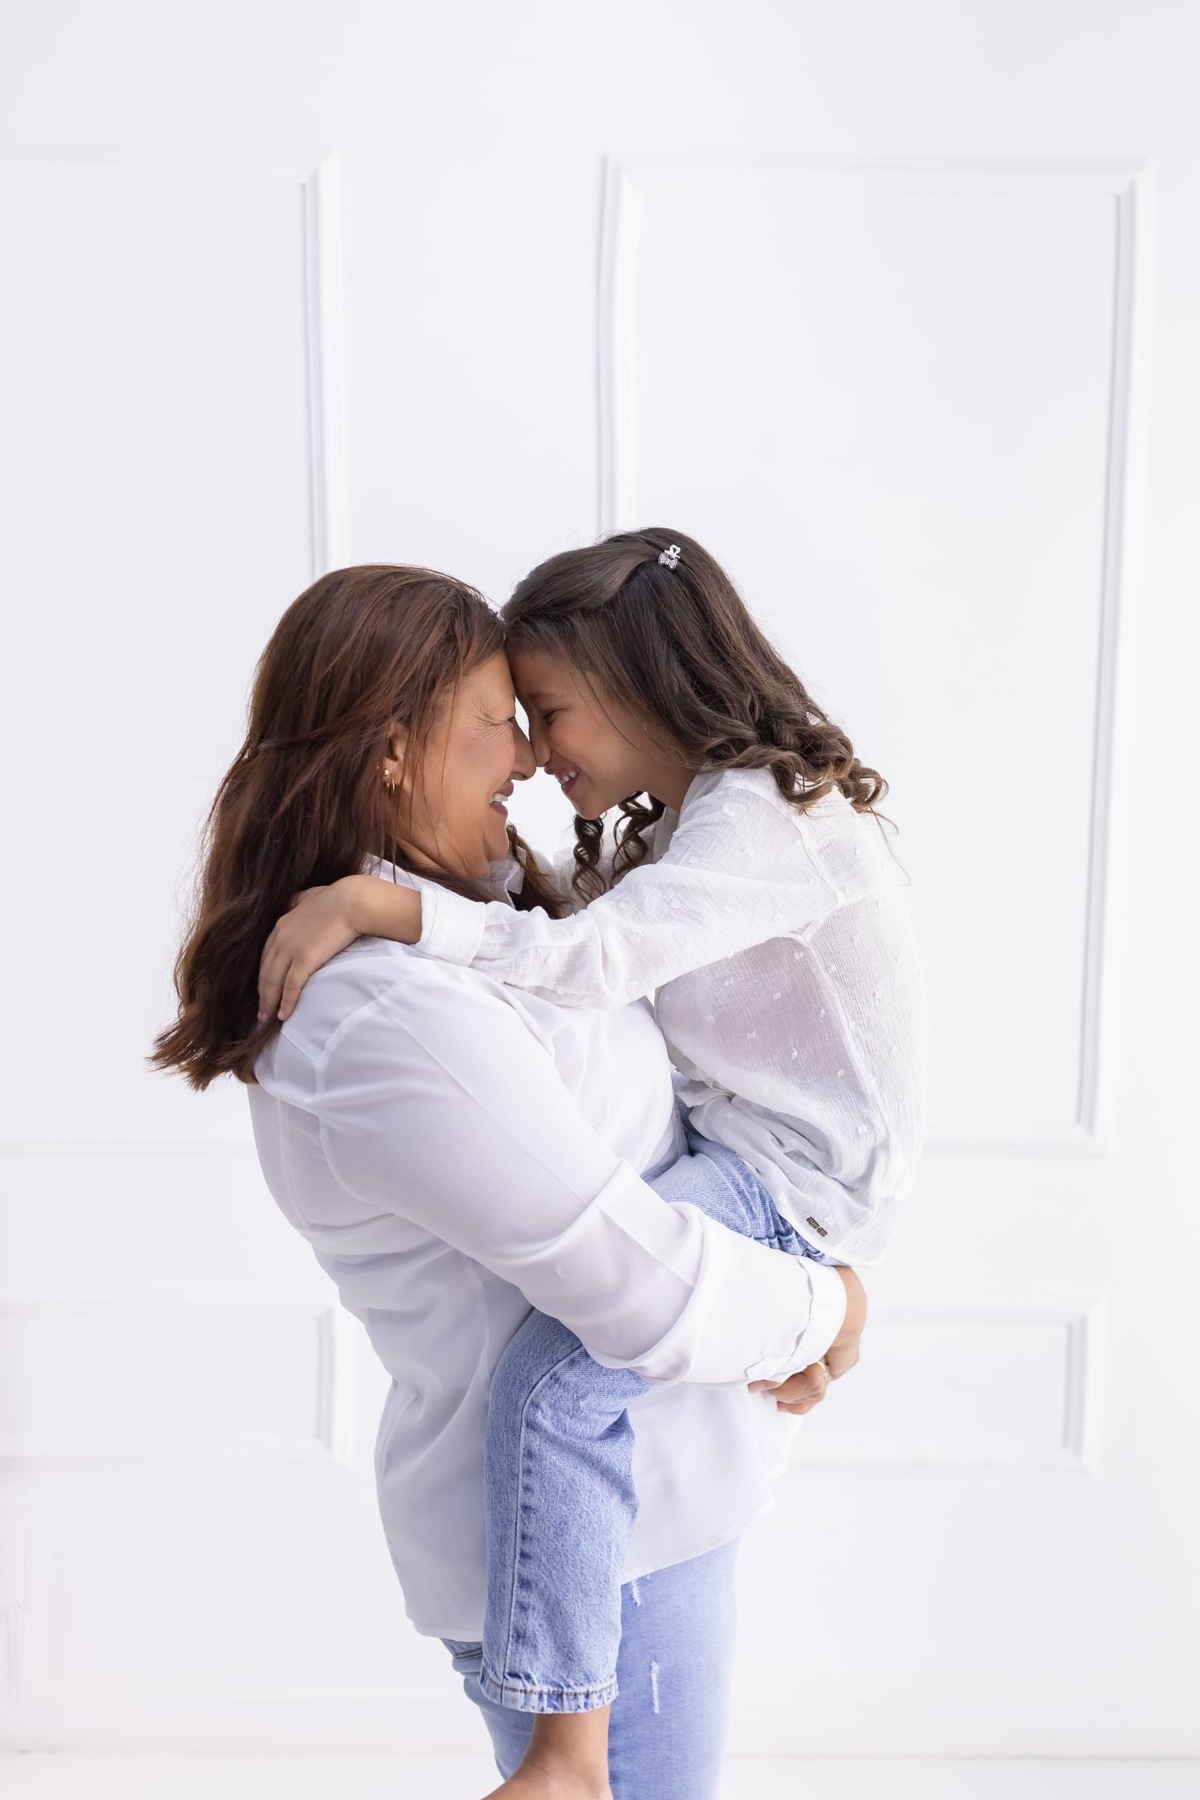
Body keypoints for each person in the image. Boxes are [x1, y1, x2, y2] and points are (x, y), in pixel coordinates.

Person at [152, 562, 866, 1800]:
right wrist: (832, 1310)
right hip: (605, 1554)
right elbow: (630, 1282)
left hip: (640, 1511)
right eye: (497, 720)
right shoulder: (385, 1016)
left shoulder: (452, 928)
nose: (528, 759)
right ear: (392, 750)